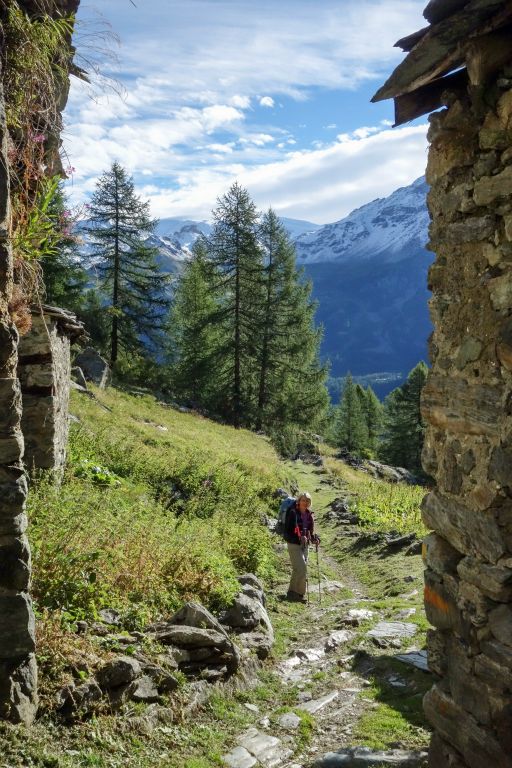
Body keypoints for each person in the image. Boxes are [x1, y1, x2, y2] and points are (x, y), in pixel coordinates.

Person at [283, 491, 315, 602]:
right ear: (299, 500)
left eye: (307, 501)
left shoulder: (309, 514)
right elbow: (288, 530)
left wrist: (314, 538)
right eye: (303, 500)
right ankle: (299, 593)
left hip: (305, 545)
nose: (305, 503)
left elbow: (311, 531)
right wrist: (299, 537)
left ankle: (293, 593)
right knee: (302, 568)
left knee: (298, 569)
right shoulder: (292, 512)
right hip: (293, 543)